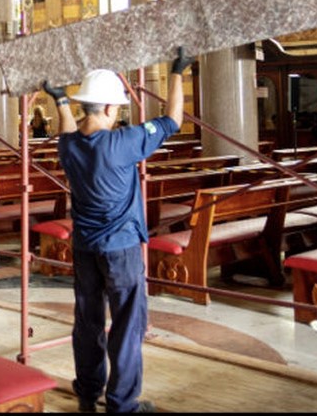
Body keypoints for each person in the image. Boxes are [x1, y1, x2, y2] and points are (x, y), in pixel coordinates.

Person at [42, 47, 192, 414]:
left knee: (88, 319)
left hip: (84, 248)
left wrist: (60, 99)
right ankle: (122, 404)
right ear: (109, 109)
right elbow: (173, 120)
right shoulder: (122, 144)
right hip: (121, 249)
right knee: (127, 324)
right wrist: (177, 72)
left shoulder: (69, 147)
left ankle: (88, 391)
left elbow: (66, 129)